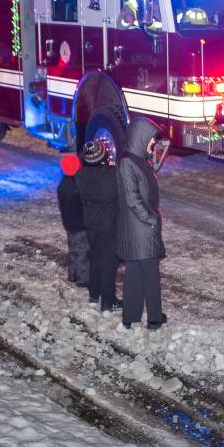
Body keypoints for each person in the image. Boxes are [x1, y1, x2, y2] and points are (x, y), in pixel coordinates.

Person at [116, 119, 166, 330]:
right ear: (140, 137)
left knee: (135, 272)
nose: (152, 143)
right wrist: (151, 218)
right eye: (150, 140)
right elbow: (132, 198)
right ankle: (154, 318)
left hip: (140, 226)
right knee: (150, 275)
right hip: (141, 227)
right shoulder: (127, 162)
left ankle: (131, 316)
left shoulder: (137, 159)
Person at [76, 140, 121, 311]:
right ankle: (108, 302)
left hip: (90, 223)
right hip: (109, 224)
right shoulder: (111, 176)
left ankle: (94, 293)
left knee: (94, 257)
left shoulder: (81, 175)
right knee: (108, 263)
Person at [57, 154, 89, 288]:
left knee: (73, 249)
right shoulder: (78, 186)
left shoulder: (62, 185)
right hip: (80, 223)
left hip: (69, 223)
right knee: (82, 251)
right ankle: (83, 279)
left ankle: (72, 274)